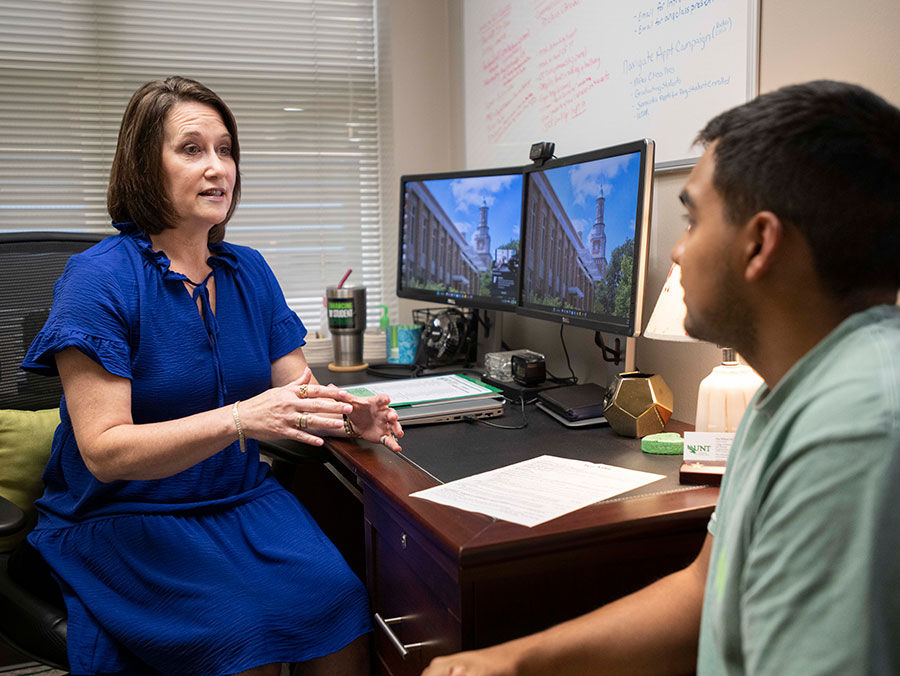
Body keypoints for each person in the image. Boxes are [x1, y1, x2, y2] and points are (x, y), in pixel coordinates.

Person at [422, 80, 900, 675]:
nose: (676, 252)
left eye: (693, 222)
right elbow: (705, 593)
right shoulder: (789, 393)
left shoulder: (854, 432)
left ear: (759, 244)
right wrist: (513, 661)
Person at [21, 76, 404, 676]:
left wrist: (349, 416)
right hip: (128, 515)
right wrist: (240, 418)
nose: (218, 168)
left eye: (226, 151)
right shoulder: (96, 280)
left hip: (239, 497)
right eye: (193, 149)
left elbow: (297, 396)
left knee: (343, 604)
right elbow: (104, 453)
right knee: (235, 637)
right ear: (145, 165)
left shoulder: (248, 270)